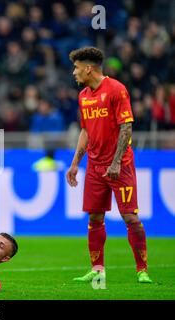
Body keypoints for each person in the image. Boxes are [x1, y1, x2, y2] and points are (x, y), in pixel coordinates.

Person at [66, 47, 152, 284]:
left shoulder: (116, 89)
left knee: (130, 218)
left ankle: (142, 270)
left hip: (120, 166)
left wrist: (115, 163)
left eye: (76, 68)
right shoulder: (83, 95)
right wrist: (75, 164)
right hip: (94, 166)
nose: (74, 73)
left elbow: (126, 127)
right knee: (94, 217)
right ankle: (97, 269)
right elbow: (85, 130)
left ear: (88, 68)